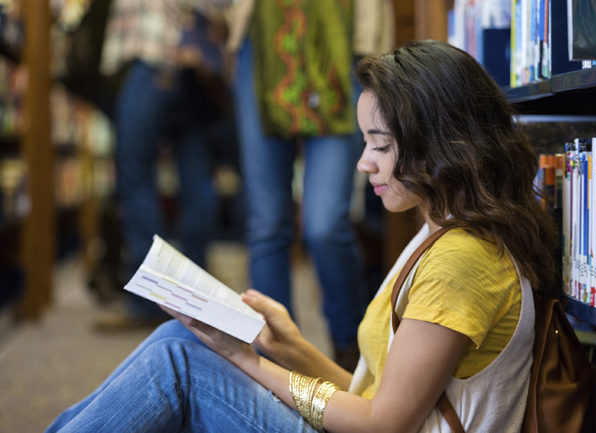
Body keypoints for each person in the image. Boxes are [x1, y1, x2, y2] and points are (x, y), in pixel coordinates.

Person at [46, 40, 559, 433]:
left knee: (175, 361)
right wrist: (289, 347)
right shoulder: (443, 234)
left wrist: (248, 361)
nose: (363, 162)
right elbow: (373, 395)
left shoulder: (461, 263)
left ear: (438, 143)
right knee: (183, 336)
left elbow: (383, 423)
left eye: (380, 146)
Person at [224, 0, 394, 370]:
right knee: (267, 224)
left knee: (325, 226)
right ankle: (275, 361)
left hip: (343, 46)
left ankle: (351, 349)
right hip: (263, 45)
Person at [93, 0, 231, 329]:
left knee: (135, 179)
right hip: (196, 70)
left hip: (157, 56)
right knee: (197, 182)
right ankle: (194, 302)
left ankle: (150, 301)